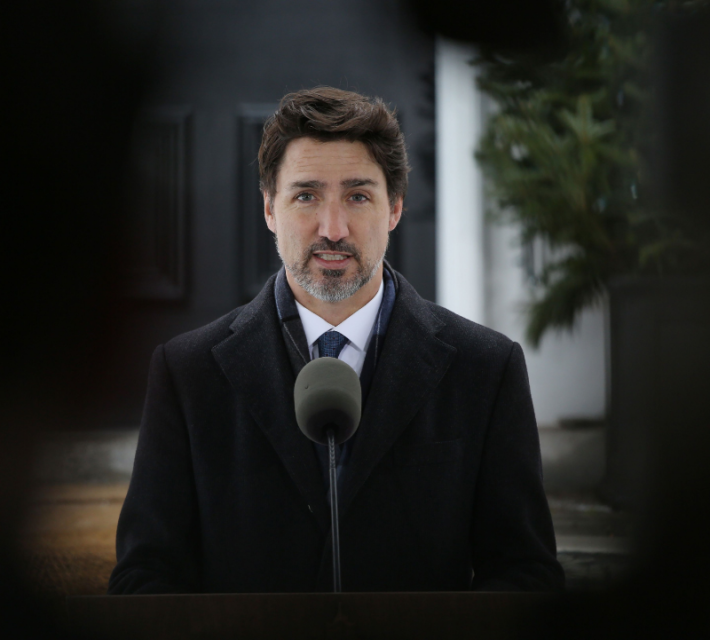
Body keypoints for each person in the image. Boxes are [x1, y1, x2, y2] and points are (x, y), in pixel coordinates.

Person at [109, 87, 564, 594]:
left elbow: (527, 575)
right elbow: (143, 578)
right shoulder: (187, 373)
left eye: (357, 196)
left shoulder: (487, 368)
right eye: (306, 196)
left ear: (393, 209)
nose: (333, 229)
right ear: (268, 210)